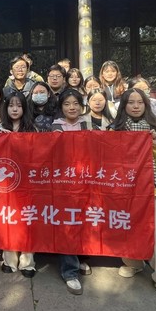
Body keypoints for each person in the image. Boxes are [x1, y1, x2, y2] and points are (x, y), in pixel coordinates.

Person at [111, 88, 156, 305]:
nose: (135, 106)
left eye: (140, 102)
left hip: (152, 188)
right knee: (128, 228)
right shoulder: (115, 130)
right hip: (125, 188)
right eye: (131, 102)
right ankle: (133, 263)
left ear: (146, 105)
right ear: (124, 106)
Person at [0, 92, 37, 278]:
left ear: (24, 108)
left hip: (27, 184)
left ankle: (28, 262)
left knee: (27, 220)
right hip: (4, 186)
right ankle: (9, 260)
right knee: (7, 220)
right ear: (5, 108)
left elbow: (39, 155)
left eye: (19, 105)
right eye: (11, 105)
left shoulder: (32, 130)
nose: (15, 109)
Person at [51, 89, 92, 294]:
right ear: (61, 107)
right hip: (64, 183)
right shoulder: (55, 126)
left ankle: (79, 258)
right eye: (67, 104)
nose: (72, 107)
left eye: (75, 103)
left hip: (86, 181)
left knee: (84, 222)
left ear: (81, 106)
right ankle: (70, 272)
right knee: (68, 224)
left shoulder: (88, 124)